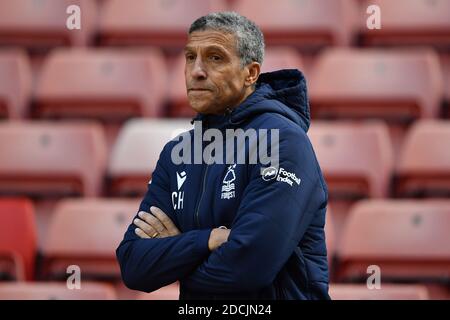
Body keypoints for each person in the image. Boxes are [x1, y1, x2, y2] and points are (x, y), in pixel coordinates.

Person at [116, 11, 330, 300]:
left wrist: (176, 257)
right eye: (190, 57)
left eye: (215, 58)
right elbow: (133, 265)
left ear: (250, 73)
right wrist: (209, 240)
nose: (197, 71)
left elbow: (248, 267)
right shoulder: (178, 152)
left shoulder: (282, 142)